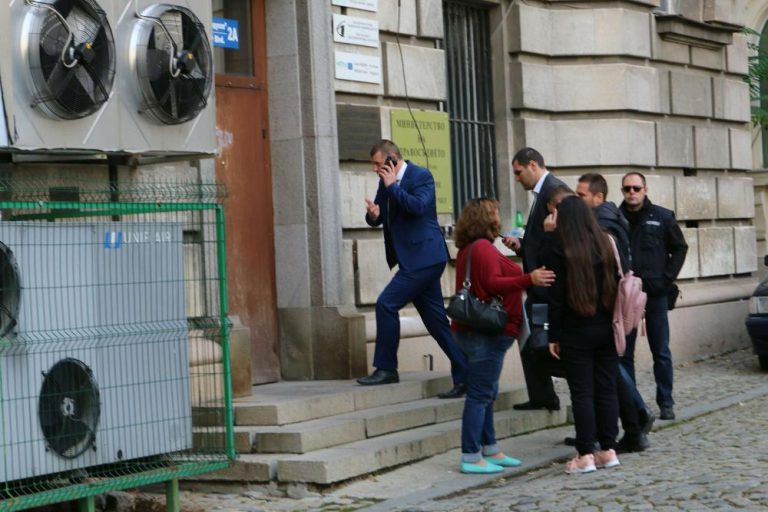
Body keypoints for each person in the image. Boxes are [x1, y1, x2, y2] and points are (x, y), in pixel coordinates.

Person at [451, 198, 555, 474]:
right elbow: (492, 283)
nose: (499, 216)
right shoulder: (482, 248)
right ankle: (471, 455)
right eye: (495, 212)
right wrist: (529, 279)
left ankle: (490, 448)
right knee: (480, 395)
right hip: (485, 334)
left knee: (486, 392)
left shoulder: (473, 247)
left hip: (479, 333)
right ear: (487, 218)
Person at [358, 140, 468, 399]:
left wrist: (392, 186)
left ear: (392, 159)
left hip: (425, 257)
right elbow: (380, 215)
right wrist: (373, 215)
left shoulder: (421, 176)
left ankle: (386, 368)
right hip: (412, 260)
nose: (375, 169)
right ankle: (467, 375)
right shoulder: (386, 181)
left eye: (377, 163)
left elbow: (417, 207)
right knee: (436, 323)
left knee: (386, 304)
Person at [576, 173, 656, 452]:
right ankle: (631, 424)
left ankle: (636, 420)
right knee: (614, 369)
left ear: (598, 197)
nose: (578, 200)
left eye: (582, 195)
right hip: (614, 307)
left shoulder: (602, 224)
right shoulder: (611, 218)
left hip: (608, 309)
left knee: (612, 371)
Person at [546, 196, 621, 474]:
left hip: (575, 328)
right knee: (606, 388)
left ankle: (585, 453)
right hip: (607, 324)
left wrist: (553, 335)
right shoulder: (606, 243)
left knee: (582, 393)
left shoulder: (559, 248)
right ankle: (608, 450)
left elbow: (554, 297)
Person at [619, 172, 688, 420]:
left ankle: (666, 402)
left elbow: (680, 248)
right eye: (627, 188)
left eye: (636, 188)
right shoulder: (616, 217)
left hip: (655, 293)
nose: (632, 192)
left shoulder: (662, 216)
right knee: (624, 352)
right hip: (626, 295)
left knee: (661, 350)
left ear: (645, 190)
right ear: (622, 191)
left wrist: (665, 278)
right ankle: (632, 404)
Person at [502, 147, 565, 411]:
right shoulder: (542, 193)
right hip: (538, 285)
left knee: (539, 341)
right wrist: (521, 246)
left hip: (547, 287)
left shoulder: (553, 191)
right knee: (530, 338)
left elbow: (561, 240)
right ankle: (542, 395)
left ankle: (547, 395)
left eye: (518, 172)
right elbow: (540, 241)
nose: (517, 179)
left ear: (532, 165)